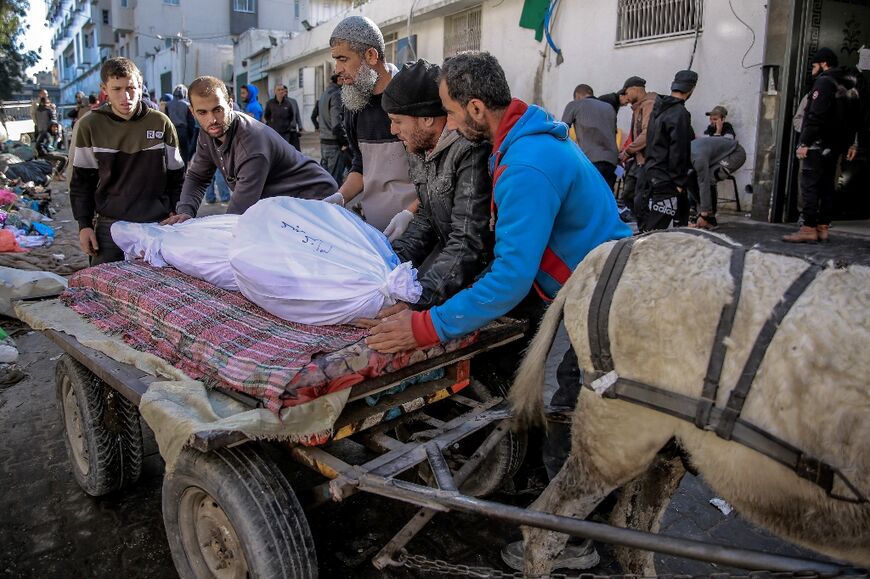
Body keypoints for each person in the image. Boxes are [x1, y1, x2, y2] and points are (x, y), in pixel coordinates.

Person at [366, 52, 631, 572]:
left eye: (448, 109)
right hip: (586, 283)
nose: (445, 120)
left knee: (571, 415)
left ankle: (571, 545)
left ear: (476, 108)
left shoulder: (525, 164)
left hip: (604, 298)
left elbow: (508, 278)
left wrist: (424, 326)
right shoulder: (516, 139)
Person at [373, 59, 493, 313]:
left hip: (489, 286)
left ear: (427, 118)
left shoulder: (469, 151)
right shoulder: (421, 146)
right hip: (458, 277)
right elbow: (429, 214)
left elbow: (467, 243)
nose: (392, 130)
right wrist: (387, 262)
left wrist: (417, 298)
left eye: (397, 120)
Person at [163, 75, 337, 224]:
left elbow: (238, 213)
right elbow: (197, 177)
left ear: (230, 104)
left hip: (314, 199)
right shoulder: (206, 134)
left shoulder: (251, 145)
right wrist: (185, 212)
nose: (212, 120)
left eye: (218, 110)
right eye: (202, 112)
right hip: (280, 205)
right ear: (192, 112)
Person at [70, 57, 185, 265]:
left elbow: (177, 175)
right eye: (117, 89)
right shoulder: (89, 126)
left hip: (157, 223)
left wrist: (176, 210)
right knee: (103, 289)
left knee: (159, 291)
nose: (126, 96)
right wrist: (84, 225)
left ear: (140, 86)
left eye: (131, 88)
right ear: (104, 89)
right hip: (110, 226)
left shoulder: (160, 122)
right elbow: (81, 181)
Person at [324, 15, 418, 237]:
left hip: (415, 230)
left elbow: (438, 177)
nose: (338, 69)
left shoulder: (412, 98)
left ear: (371, 55)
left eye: (343, 59)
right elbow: (362, 165)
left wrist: (411, 213)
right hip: (373, 231)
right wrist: (341, 196)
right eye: (335, 61)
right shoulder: (353, 102)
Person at [783, 47, 859, 243]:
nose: (813, 70)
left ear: (824, 63)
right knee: (827, 185)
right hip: (835, 146)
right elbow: (856, 118)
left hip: (818, 144)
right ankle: (823, 227)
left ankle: (808, 227)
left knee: (809, 184)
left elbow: (815, 116)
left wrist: (805, 142)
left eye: (814, 65)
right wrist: (850, 143)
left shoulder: (824, 82)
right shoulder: (849, 85)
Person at [636, 69, 698, 231]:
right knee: (656, 231)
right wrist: (678, 181)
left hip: (652, 173)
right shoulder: (680, 113)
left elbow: (650, 140)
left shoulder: (658, 109)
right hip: (668, 179)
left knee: (659, 227)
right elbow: (679, 149)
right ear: (691, 89)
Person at [561, 84, 618, 190]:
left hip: (590, 159)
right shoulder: (609, 108)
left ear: (577, 95)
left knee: (587, 198)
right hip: (611, 161)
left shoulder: (575, 104)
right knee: (606, 199)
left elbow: (562, 130)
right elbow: (613, 133)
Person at [618, 76, 657, 219]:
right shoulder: (638, 107)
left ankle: (645, 226)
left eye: (627, 92)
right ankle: (638, 222)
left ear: (635, 89)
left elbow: (647, 134)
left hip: (647, 160)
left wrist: (628, 151)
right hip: (638, 159)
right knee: (628, 194)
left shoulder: (649, 105)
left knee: (640, 199)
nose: (626, 97)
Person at [688, 136, 746, 229]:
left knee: (710, 177)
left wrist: (704, 215)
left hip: (736, 153)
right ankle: (706, 213)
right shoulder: (683, 153)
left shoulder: (698, 158)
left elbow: (704, 183)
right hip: (718, 155)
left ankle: (709, 218)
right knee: (690, 178)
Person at [311, 74, 350, 183]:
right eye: (344, 79)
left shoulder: (324, 94)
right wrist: (344, 142)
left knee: (326, 181)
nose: (346, 82)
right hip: (334, 144)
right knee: (334, 183)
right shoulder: (336, 94)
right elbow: (336, 124)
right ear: (339, 79)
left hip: (324, 142)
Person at [264, 84, 302, 151]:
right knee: (275, 150)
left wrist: (288, 126)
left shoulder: (288, 103)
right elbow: (266, 116)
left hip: (285, 133)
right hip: (274, 132)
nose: (281, 91)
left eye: (282, 90)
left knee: (284, 151)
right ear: (275, 91)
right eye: (279, 90)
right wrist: (272, 124)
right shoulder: (270, 103)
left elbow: (292, 116)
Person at [166, 84, 197, 165]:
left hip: (172, 132)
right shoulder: (187, 105)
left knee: (173, 155)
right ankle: (183, 172)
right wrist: (191, 137)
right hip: (183, 132)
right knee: (184, 155)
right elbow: (191, 123)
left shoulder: (168, 105)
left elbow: (166, 120)